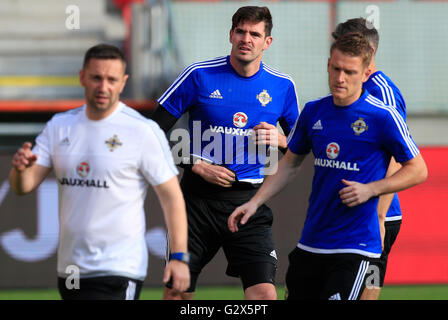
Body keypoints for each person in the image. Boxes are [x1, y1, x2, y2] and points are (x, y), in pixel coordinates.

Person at [228, 32, 427, 300]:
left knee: (369, 290)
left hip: (356, 247)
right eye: (335, 69)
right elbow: (289, 164)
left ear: (366, 73)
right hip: (311, 243)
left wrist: (371, 190)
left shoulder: (383, 116)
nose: (340, 78)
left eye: (349, 71)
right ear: (328, 65)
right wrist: (255, 202)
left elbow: (418, 169)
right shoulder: (313, 112)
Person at [9, 44, 190, 300]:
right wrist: (19, 170)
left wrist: (180, 257)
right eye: (96, 77)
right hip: (71, 270)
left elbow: (172, 196)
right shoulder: (60, 126)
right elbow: (23, 185)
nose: (103, 86)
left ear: (123, 82)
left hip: (119, 268)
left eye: (111, 79)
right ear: (82, 76)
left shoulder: (142, 130)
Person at [152, 6, 300, 300]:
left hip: (249, 203)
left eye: (255, 34)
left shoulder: (283, 86)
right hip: (195, 203)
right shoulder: (199, 75)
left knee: (265, 295)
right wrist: (193, 163)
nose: (247, 39)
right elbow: (150, 131)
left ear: (267, 42)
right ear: (231, 34)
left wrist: (283, 141)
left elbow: (302, 143)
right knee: (177, 293)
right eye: (241, 31)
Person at [332, 18, 407, 300]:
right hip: (350, 207)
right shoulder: (349, 86)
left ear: (369, 53)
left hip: (376, 213)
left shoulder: (381, 91)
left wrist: (379, 214)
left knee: (366, 285)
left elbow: (400, 157)